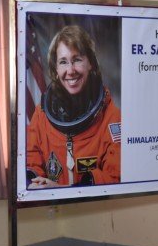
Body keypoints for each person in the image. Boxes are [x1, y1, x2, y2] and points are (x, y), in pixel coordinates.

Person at [27, 25, 121, 188]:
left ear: (90, 63)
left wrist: (62, 190)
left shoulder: (111, 117)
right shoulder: (41, 115)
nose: (70, 71)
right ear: (55, 69)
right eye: (63, 62)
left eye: (77, 59)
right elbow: (30, 160)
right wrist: (36, 184)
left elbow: (115, 176)